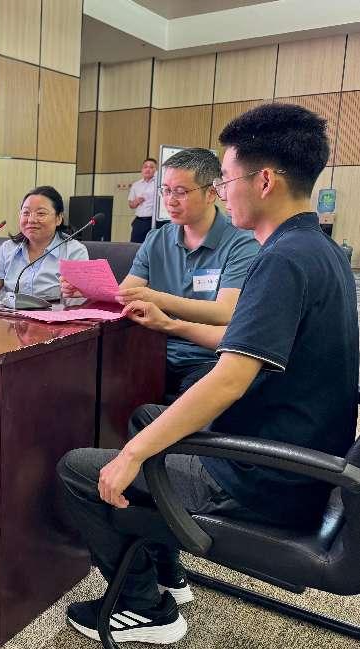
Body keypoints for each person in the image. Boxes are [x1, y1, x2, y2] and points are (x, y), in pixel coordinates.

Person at [57, 103, 357, 644]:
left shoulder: (280, 260)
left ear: (264, 181)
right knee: (147, 416)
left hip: (267, 478)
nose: (222, 191)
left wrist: (131, 457)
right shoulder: (322, 250)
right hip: (303, 455)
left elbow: (229, 379)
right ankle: (167, 570)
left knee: (79, 469)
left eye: (226, 180)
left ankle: (145, 608)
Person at [62, 148, 260, 396]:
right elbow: (125, 293)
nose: (170, 201)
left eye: (181, 192)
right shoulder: (157, 239)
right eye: (165, 190)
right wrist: (89, 290)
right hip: (151, 349)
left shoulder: (241, 243)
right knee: (79, 380)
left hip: (205, 357)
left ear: (212, 192)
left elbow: (224, 312)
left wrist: (156, 298)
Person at [0, 186, 88, 300]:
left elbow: (77, 298)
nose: (31, 220)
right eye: (26, 213)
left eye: (41, 213)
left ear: (58, 218)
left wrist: (72, 293)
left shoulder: (74, 251)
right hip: (11, 311)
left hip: (54, 311)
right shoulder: (7, 249)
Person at [129, 158, 158, 243]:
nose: (148, 169)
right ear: (142, 169)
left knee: (152, 246)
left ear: (156, 170)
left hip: (154, 222)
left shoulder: (159, 184)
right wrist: (136, 201)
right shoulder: (136, 185)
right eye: (145, 167)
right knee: (134, 246)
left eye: (151, 167)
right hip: (139, 221)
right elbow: (131, 205)